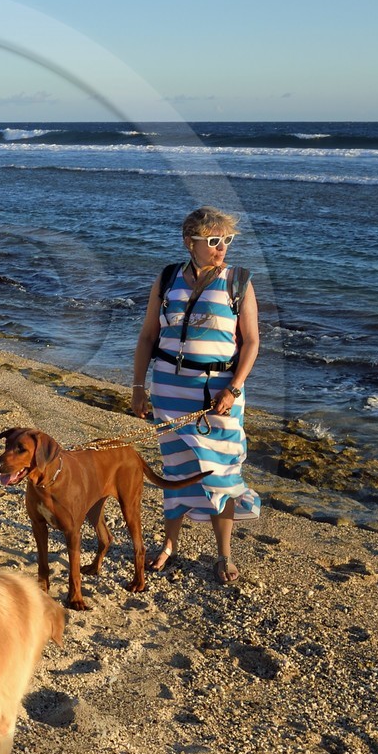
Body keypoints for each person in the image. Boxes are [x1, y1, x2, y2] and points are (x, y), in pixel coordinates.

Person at [130, 206, 261, 584]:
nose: (223, 248)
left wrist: (234, 388)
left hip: (219, 396)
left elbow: (251, 343)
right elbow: (147, 338)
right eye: (215, 241)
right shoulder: (168, 278)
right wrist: (139, 388)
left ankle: (223, 554)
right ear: (191, 243)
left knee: (222, 472)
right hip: (170, 393)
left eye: (227, 240)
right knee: (176, 471)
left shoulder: (239, 281)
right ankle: (170, 545)